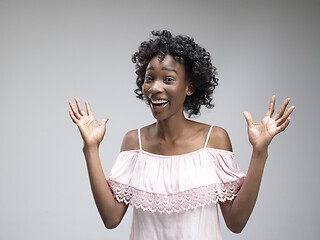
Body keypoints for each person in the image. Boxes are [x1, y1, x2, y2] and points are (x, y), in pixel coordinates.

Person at [68, 30, 294, 240]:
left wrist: (259, 151)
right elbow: (111, 218)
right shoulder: (133, 142)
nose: (155, 88)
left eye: (168, 79)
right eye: (149, 78)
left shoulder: (214, 140)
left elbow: (236, 222)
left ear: (189, 87)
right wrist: (91, 148)